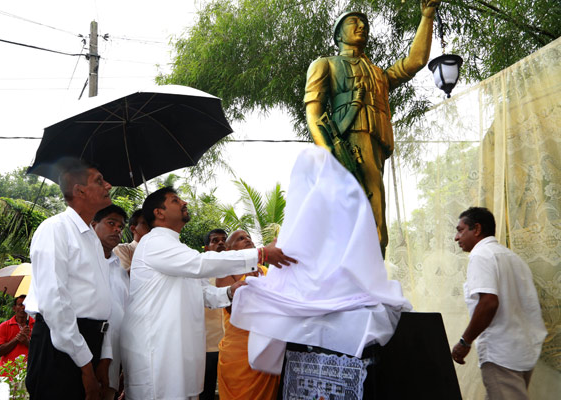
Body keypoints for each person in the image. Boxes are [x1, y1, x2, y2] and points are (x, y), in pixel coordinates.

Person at [120, 187, 296, 400]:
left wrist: (230, 292)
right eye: (176, 200)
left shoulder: (176, 248)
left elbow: (202, 292)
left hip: (179, 350)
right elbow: (201, 263)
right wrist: (261, 253)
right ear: (159, 213)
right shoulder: (154, 242)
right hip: (157, 350)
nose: (184, 203)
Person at [304, 0, 441, 257]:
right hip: (349, 145)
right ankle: (363, 269)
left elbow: (415, 61)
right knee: (366, 214)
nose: (362, 25)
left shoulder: (379, 74)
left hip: (376, 144)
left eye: (364, 22)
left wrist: (427, 17)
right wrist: (331, 156)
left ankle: (372, 271)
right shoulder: (325, 65)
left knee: (376, 211)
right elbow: (314, 115)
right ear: (337, 34)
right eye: (353, 22)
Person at [24, 159, 114, 400]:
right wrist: (85, 368)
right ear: (79, 191)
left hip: (87, 345)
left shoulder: (91, 238)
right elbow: (56, 305)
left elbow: (101, 302)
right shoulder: (54, 229)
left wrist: (103, 358)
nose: (108, 185)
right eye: (99, 180)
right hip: (61, 349)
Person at [451, 207, 547, 400]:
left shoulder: (481, 255)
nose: (456, 237)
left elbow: (488, 303)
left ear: (476, 229)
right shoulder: (513, 258)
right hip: (522, 350)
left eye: (460, 230)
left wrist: (465, 342)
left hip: (501, 354)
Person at [216, 230, 280, 400]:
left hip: (267, 346)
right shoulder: (225, 271)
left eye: (248, 237)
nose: (247, 240)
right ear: (229, 251)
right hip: (239, 352)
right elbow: (232, 309)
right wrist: (252, 286)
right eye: (240, 239)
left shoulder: (265, 270)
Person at [92, 204, 129, 400]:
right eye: (111, 223)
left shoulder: (120, 271)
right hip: (86, 358)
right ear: (93, 224)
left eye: (121, 226)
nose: (117, 229)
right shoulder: (83, 263)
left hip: (114, 364)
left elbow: (126, 314)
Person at [200, 228, 228, 400]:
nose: (220, 243)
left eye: (223, 240)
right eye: (215, 240)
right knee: (206, 392)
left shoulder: (237, 272)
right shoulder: (199, 272)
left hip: (231, 347)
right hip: (207, 345)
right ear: (206, 247)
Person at [0, 295, 35, 375]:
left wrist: (27, 342)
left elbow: (41, 352)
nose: (23, 307)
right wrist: (17, 339)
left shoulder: (36, 326)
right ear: (14, 308)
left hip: (30, 373)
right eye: (20, 305)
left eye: (26, 305)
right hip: (7, 373)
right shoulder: (4, 326)